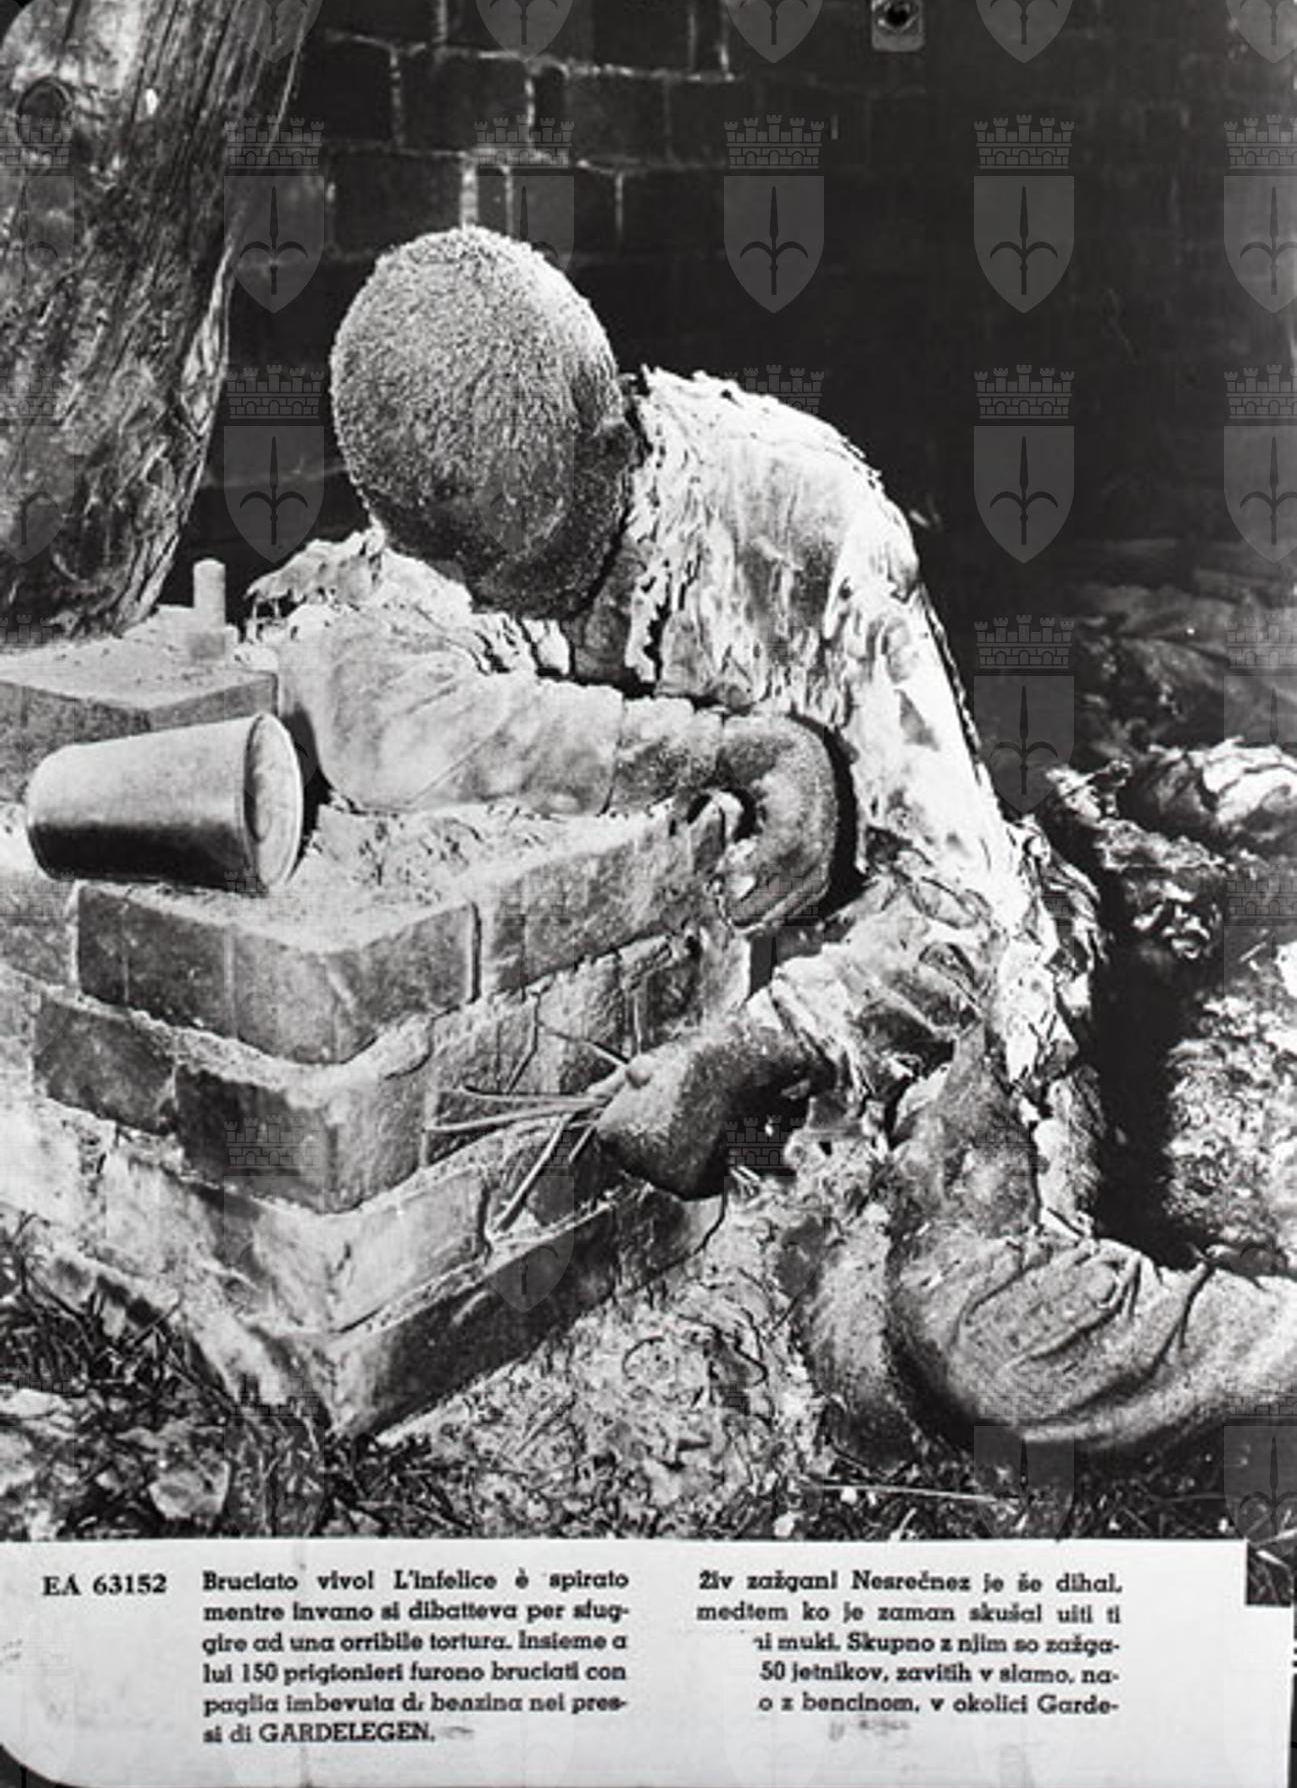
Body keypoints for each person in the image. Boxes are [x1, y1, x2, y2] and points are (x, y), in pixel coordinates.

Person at [259, 225, 1297, 1458]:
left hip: (940, 969)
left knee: (969, 1342)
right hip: (797, 1021)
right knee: (861, 1369)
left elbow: (966, 909)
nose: (488, 603)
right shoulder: (461, 532)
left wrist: (751, 1049)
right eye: (456, 572)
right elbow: (369, 711)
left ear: (613, 438)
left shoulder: (799, 516)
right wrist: (733, 749)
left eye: (527, 565)